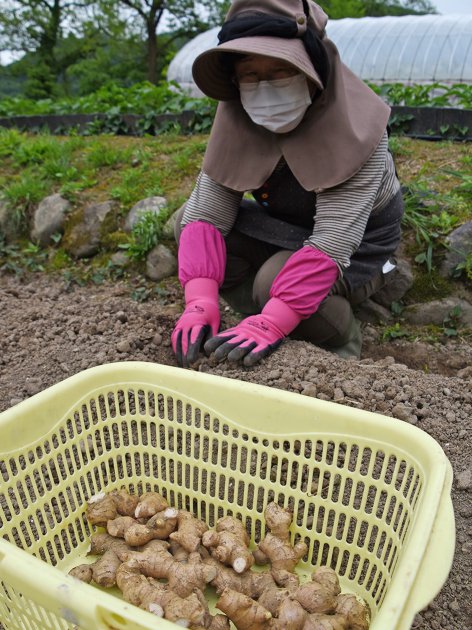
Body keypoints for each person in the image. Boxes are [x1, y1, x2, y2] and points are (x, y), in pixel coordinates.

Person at [171, 0, 405, 368]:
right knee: (186, 221)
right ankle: (268, 318)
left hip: (357, 245)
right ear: (234, 79)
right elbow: (206, 215)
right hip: (289, 228)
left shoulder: (358, 132)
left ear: (312, 69)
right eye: (250, 74)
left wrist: (275, 317)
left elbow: (333, 241)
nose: (265, 88)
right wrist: (199, 300)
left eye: (281, 69)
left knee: (274, 281)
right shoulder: (238, 118)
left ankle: (337, 335)